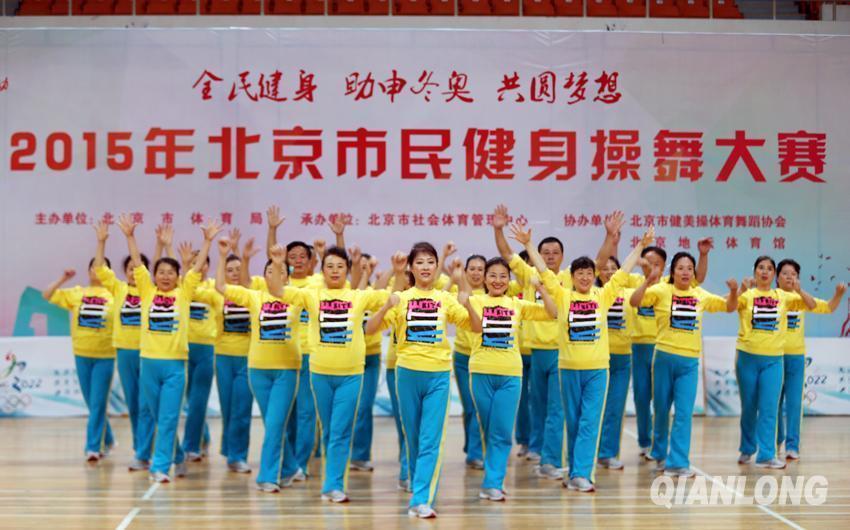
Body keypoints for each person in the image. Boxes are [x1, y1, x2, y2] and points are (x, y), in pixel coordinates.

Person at [514, 222, 649, 492]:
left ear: (594, 276)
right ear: (572, 277)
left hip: (598, 370)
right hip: (568, 369)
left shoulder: (604, 295)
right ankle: (574, 471)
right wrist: (528, 244)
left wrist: (641, 247)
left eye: (589, 273)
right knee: (574, 422)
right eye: (580, 274)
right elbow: (543, 271)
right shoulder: (562, 295)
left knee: (589, 421)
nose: (585, 278)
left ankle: (582, 474)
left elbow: (624, 271)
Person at [365, 243, 481, 519]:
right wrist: (386, 306)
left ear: (436, 266)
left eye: (430, 262)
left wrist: (468, 304)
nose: (426, 267)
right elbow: (370, 329)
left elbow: (476, 327)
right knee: (413, 437)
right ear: (411, 268)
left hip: (438, 376)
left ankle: (421, 499)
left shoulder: (445, 298)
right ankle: (420, 490)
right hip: (406, 374)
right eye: (420, 262)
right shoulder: (401, 298)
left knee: (431, 439)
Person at [268, 245, 388, 503]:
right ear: (322, 270)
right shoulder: (311, 295)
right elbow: (277, 290)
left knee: (341, 430)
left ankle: (334, 485)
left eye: (340, 267)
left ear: (347, 270)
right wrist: (278, 264)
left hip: (351, 376)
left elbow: (391, 296)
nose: (335, 271)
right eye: (330, 266)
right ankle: (330, 482)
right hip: (320, 374)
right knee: (329, 430)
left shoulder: (358, 296)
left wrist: (397, 273)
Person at [117, 213, 221, 483]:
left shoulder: (184, 293)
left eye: (170, 273)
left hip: (175, 366)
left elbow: (195, 271)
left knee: (169, 417)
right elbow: (137, 264)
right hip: (148, 364)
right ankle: (177, 455)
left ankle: (160, 467)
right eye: (161, 272)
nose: (165, 276)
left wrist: (207, 242)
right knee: (157, 415)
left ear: (177, 276)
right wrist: (130, 237)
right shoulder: (147, 291)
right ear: (154, 276)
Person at [630, 252, 738, 477]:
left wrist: (734, 292)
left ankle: (678, 463)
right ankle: (659, 453)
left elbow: (729, 307)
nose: (686, 272)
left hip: (689, 363)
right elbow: (634, 301)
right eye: (680, 268)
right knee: (661, 410)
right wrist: (648, 282)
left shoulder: (700, 294)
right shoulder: (662, 290)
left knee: (683, 413)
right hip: (663, 359)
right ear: (673, 272)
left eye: (689, 268)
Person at [215, 239, 304, 492]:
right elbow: (220, 286)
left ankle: (267, 476)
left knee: (274, 424)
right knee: (272, 424)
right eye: (270, 271)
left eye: (280, 271)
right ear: (263, 276)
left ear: (287, 276)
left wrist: (279, 261)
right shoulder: (254, 296)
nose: (275, 275)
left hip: (286, 370)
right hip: (257, 371)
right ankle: (290, 468)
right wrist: (222, 256)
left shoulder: (298, 297)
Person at [467, 257, 556, 501]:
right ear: (484, 279)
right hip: (481, 372)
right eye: (492, 275)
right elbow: (467, 322)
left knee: (502, 431)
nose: (498, 280)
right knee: (489, 429)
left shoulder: (517, 304)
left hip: (510, 375)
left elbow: (553, 312)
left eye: (503, 276)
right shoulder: (474, 300)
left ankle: (493, 483)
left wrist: (541, 290)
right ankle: (492, 478)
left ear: (509, 280)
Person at [735, 256, 817, 469]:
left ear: (774, 275)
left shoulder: (782, 296)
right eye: (761, 268)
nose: (764, 271)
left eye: (769, 269)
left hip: (773, 360)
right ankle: (747, 448)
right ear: (755, 272)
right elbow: (730, 305)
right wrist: (739, 290)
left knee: (769, 408)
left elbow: (811, 305)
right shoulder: (748, 295)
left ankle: (766, 455)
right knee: (749, 407)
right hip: (747, 358)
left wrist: (798, 290)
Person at [92, 220, 155, 471]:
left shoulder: (150, 291)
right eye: (128, 269)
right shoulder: (118, 288)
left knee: (146, 404)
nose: (132, 272)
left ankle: (146, 450)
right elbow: (99, 268)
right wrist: (101, 241)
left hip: (148, 353)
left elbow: (143, 265)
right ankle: (141, 450)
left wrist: (131, 238)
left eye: (136, 269)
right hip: (125, 352)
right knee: (134, 404)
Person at [43, 255, 115, 463]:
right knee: (93, 403)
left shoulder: (115, 293)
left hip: (105, 356)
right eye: (94, 267)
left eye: (102, 267)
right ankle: (108, 439)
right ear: (88, 270)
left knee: (98, 402)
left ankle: (93, 447)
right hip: (82, 354)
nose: (97, 271)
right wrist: (63, 279)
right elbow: (47, 295)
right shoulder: (78, 293)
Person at [774, 259, 846, 460]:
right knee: (774, 402)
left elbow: (828, 308)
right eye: (785, 273)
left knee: (795, 403)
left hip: (796, 357)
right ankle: (776, 441)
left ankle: (792, 446)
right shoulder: (772, 297)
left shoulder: (803, 299)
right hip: (774, 356)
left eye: (794, 274)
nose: (789, 277)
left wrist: (838, 295)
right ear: (777, 278)